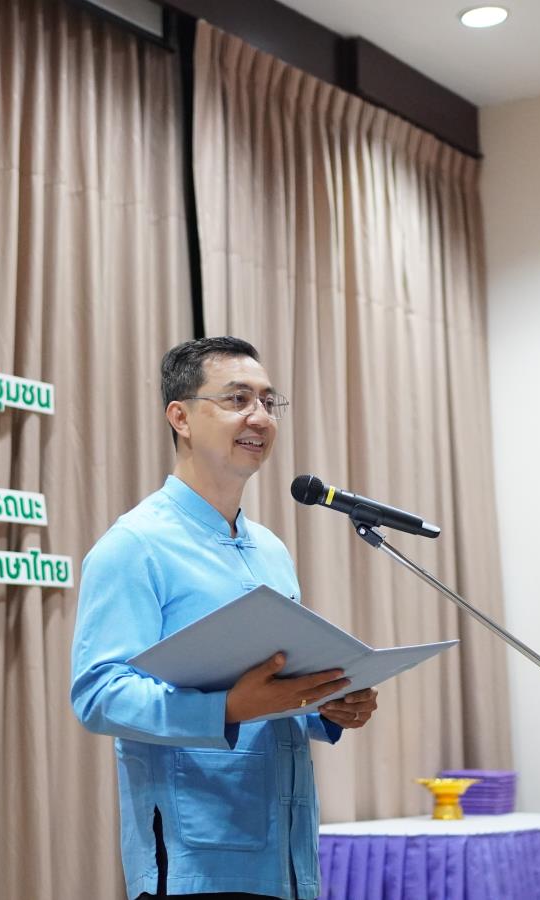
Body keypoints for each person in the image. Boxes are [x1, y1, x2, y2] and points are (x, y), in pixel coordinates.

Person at [71, 336, 378, 899]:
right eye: (238, 399)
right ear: (180, 417)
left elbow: (277, 689)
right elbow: (99, 695)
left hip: (287, 856)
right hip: (194, 860)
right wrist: (229, 708)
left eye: (268, 401)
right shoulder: (134, 544)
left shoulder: (271, 550)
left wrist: (328, 703)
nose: (259, 417)